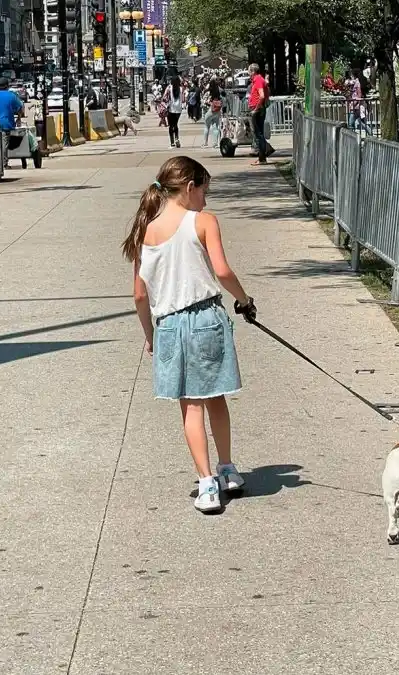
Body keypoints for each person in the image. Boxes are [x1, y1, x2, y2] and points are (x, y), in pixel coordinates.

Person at [121, 156, 258, 513]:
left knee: (190, 405)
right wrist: (244, 300)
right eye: (204, 192)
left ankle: (206, 483)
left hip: (168, 324)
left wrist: (150, 335)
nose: (205, 200)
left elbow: (139, 295)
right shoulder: (203, 221)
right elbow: (222, 272)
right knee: (216, 396)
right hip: (206, 317)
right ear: (189, 187)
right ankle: (227, 469)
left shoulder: (143, 232)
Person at [0, 77, 24, 169]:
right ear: (6, 86)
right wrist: (19, 118)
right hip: (6, 124)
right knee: (4, 144)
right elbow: (20, 108)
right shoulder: (11, 96)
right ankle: (4, 164)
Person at [247, 63, 269, 165]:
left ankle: (262, 158)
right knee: (259, 134)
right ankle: (262, 157)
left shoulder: (258, 80)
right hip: (259, 108)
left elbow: (262, 95)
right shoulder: (259, 80)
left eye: (249, 71)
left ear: (253, 71)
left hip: (258, 109)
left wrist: (256, 109)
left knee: (258, 134)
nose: (248, 73)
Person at [162, 77, 183, 148]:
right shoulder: (181, 89)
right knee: (175, 124)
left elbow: (164, 97)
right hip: (179, 109)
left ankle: (172, 142)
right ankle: (177, 138)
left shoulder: (169, 88)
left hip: (171, 108)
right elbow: (183, 99)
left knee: (171, 126)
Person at [201, 79, 222, 149]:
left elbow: (203, 102)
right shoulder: (218, 93)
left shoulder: (208, 93)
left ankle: (205, 143)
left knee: (207, 126)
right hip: (217, 111)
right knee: (215, 127)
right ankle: (215, 144)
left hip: (209, 111)